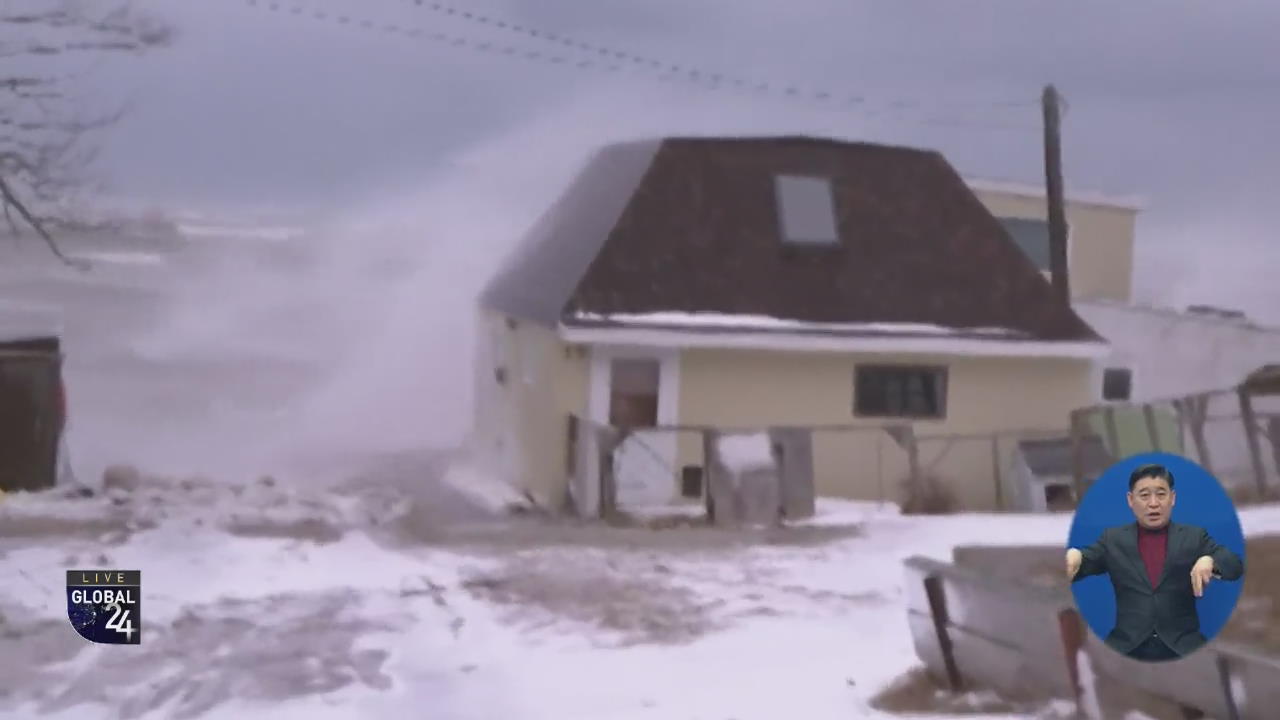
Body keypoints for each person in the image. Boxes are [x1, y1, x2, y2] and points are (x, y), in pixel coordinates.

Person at [1065, 463, 1244, 661]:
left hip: (1184, 645)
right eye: (1144, 495)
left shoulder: (1193, 537)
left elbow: (1234, 565)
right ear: (1130, 500)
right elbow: (1084, 560)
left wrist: (1209, 560)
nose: (1153, 503)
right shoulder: (1113, 540)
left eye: (1160, 494)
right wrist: (1075, 557)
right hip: (1127, 645)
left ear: (1172, 498)